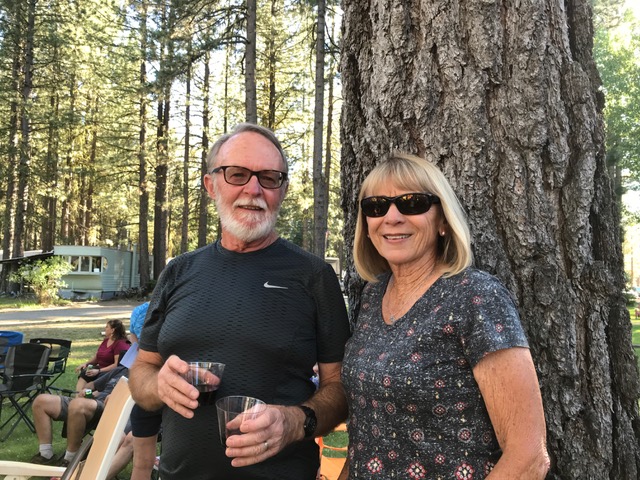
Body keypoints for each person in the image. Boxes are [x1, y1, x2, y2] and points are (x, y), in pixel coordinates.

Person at [130, 123, 351, 480]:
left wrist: (294, 422)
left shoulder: (313, 276)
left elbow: (339, 387)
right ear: (211, 185)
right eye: (237, 174)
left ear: (282, 190)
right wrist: (157, 385)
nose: (254, 189)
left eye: (269, 178)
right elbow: (142, 370)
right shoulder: (177, 272)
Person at [339, 153, 550, 479]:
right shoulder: (372, 296)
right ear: (366, 226)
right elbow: (365, 434)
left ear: (442, 221)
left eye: (412, 203)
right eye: (376, 206)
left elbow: (529, 456)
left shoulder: (475, 296)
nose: (392, 217)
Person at [30, 362, 129, 468]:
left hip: (112, 409)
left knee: (77, 405)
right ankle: (46, 454)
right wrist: (87, 391)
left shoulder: (140, 379)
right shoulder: (121, 370)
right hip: (93, 402)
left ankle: (71, 459)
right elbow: (91, 386)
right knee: (41, 401)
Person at [75, 319, 130, 392]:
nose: (105, 329)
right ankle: (78, 395)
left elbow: (116, 365)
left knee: (91, 383)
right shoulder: (106, 340)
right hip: (100, 368)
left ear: (112, 330)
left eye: (107, 327)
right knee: (85, 373)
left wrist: (98, 371)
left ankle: (88, 395)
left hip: (109, 372)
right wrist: (86, 364)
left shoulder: (120, 344)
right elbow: (97, 357)